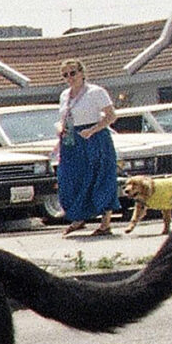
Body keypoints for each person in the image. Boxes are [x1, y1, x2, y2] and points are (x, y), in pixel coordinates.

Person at [54, 60, 119, 237]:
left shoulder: (96, 92)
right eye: (65, 75)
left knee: (100, 176)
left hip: (94, 138)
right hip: (72, 139)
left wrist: (92, 130)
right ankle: (78, 217)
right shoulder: (65, 95)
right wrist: (61, 130)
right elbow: (65, 117)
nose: (70, 78)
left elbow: (111, 116)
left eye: (72, 73)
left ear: (82, 73)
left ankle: (105, 224)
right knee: (69, 177)